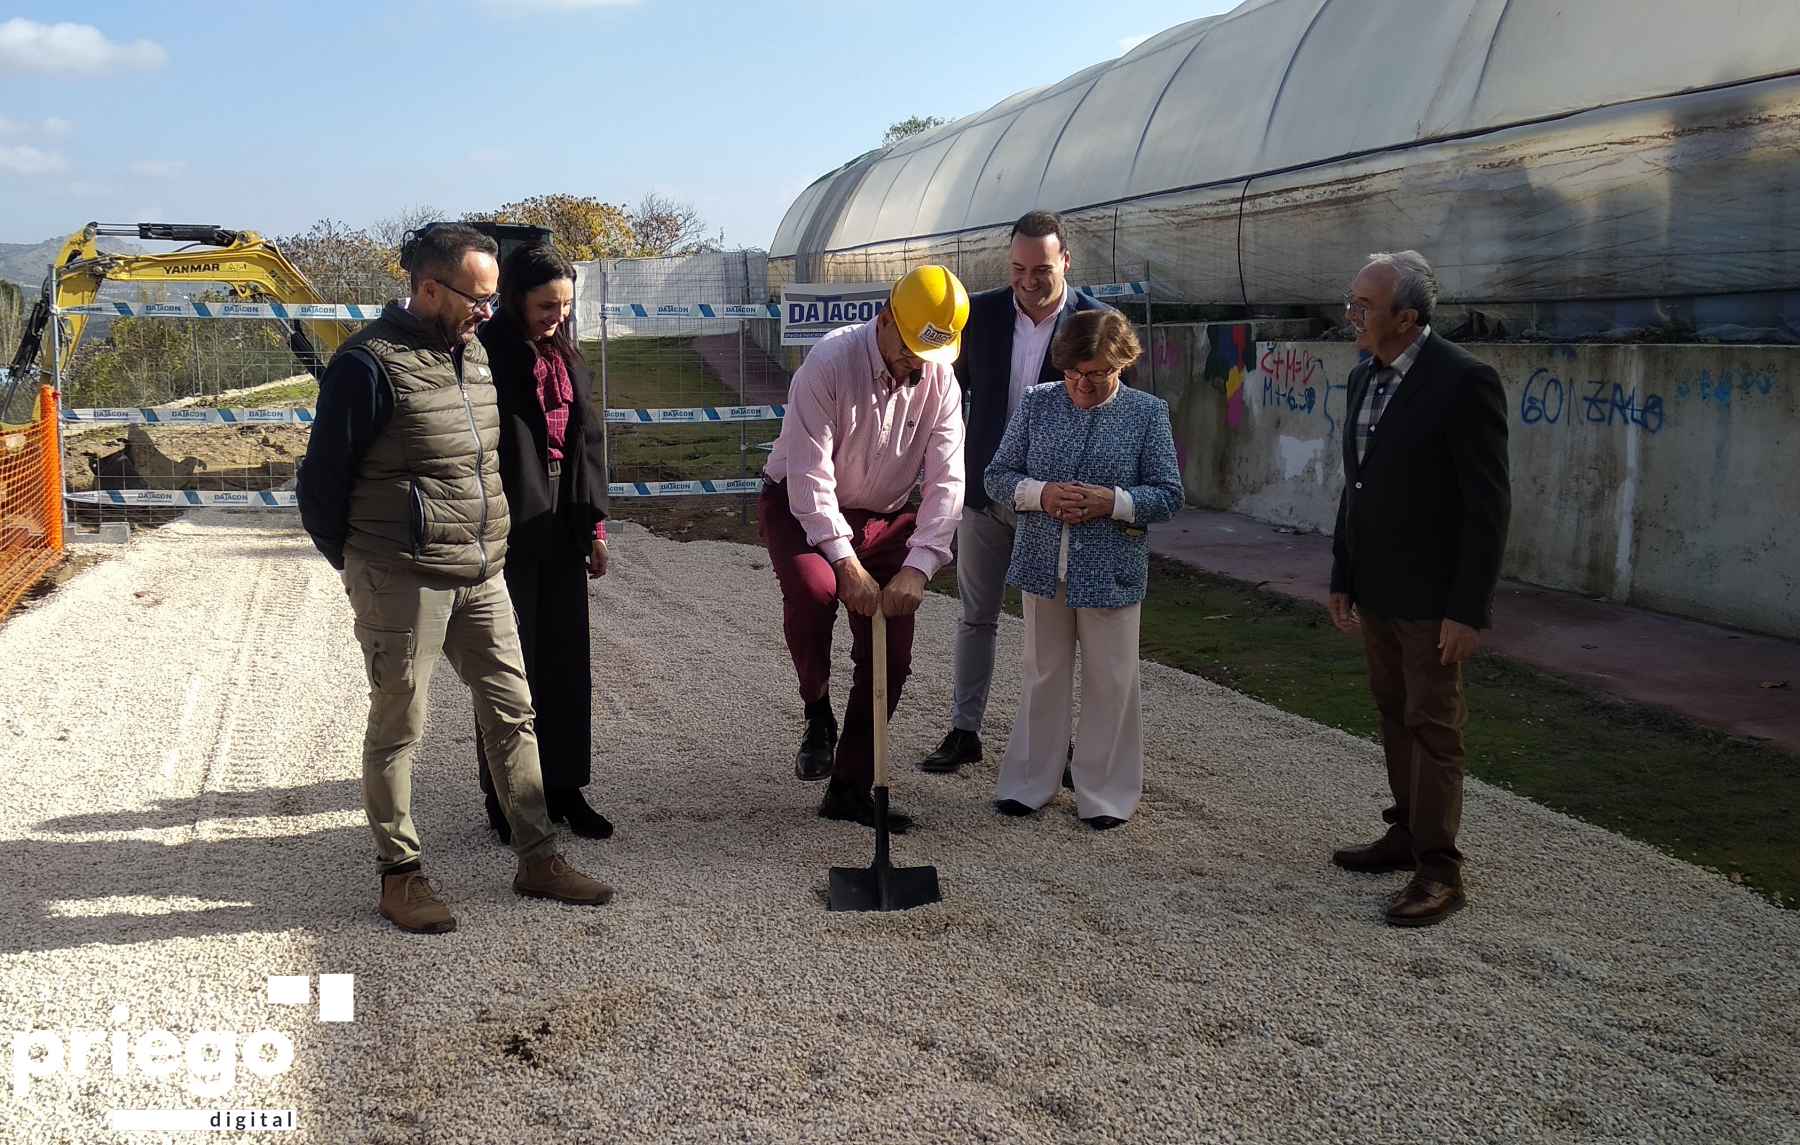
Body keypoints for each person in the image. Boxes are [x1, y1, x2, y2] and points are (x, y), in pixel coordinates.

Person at [297, 223, 613, 935]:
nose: (488, 312)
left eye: (496, 299)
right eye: (479, 297)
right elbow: (321, 488)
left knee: (514, 713)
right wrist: (363, 568)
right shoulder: (366, 365)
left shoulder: (472, 355)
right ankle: (400, 876)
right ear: (429, 288)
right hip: (402, 578)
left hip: (481, 571)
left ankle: (538, 856)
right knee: (399, 727)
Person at [1327, 250, 1511, 928]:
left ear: (1406, 318)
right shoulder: (1362, 377)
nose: (1351, 315)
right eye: (1352, 301)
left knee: (1434, 725)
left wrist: (1468, 609)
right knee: (1392, 709)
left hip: (1434, 596)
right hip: (1378, 587)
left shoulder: (1465, 381)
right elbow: (1358, 486)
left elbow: (1486, 508)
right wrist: (1342, 574)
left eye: (1364, 306)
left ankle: (1440, 869)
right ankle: (1405, 831)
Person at [759, 265, 969, 832]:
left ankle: (849, 788)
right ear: (885, 321)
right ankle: (816, 707)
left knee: (891, 656)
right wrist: (844, 561)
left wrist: (920, 568)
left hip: (887, 515)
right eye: (908, 351)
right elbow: (809, 478)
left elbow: (948, 483)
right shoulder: (827, 364)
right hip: (800, 503)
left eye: (931, 357)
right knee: (814, 592)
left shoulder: (939, 380)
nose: (917, 367)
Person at [920, 210, 1126, 776]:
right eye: (1017, 268)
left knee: (1055, 633)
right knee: (975, 617)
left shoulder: (1096, 323)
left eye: (1040, 269)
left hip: (1056, 506)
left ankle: (1054, 744)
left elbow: (1118, 411)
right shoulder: (980, 316)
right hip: (985, 493)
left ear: (1065, 260)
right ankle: (965, 732)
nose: (1028, 281)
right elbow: (944, 394)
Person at [983, 309, 1183, 829]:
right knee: (1042, 674)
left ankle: (1105, 796)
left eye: (1096, 374)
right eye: (1073, 373)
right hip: (1042, 565)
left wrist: (1112, 502)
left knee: (1112, 681)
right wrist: (1041, 494)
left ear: (1122, 364)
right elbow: (997, 475)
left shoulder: (1147, 414)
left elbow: (1168, 494)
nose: (1082, 385)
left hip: (1111, 570)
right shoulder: (1037, 404)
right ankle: (1029, 784)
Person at [472, 242, 614, 844]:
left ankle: (565, 787)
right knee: (509, 666)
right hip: (507, 518)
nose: (556, 315)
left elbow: (587, 438)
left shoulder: (566, 354)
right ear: (513, 299)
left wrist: (595, 527)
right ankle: (508, 797)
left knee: (564, 658)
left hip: (564, 517)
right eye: (544, 305)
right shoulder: (485, 354)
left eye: (564, 305)